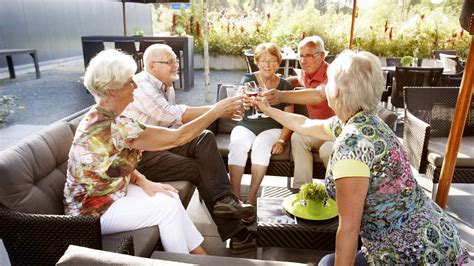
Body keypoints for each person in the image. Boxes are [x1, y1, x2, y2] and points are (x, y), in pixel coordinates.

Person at [256, 50, 463, 265]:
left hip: (413, 254)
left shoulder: (352, 146)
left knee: (328, 263)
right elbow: (305, 124)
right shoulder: (364, 120)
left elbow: (349, 228)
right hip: (435, 236)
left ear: (334, 90)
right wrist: (268, 109)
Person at [64, 49, 242, 254]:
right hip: (91, 213)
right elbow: (178, 137)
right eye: (129, 82)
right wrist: (217, 111)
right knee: (165, 209)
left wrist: (143, 181)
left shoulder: (105, 117)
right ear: (112, 90)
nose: (135, 85)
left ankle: (200, 257)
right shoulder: (115, 126)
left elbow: (113, 163)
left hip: (111, 194)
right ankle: (184, 260)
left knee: (170, 197)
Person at [122, 44, 256, 254]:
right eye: (170, 62)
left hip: (162, 142)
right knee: (198, 168)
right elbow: (173, 115)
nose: (176, 65)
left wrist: (216, 113)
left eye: (176, 60)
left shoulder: (166, 85)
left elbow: (173, 126)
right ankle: (236, 232)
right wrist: (218, 110)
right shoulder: (141, 85)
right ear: (152, 65)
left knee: (204, 137)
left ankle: (225, 200)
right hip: (142, 155)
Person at [228, 42, 293, 219]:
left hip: (271, 128)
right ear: (257, 62)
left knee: (261, 147)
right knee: (238, 145)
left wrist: (281, 140)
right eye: (263, 61)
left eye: (272, 61)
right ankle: (234, 198)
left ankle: (250, 200)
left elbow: (289, 118)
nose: (267, 65)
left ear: (278, 62)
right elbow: (238, 102)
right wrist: (242, 102)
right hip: (246, 125)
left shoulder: (285, 85)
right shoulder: (248, 80)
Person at [266, 36, 335, 188]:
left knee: (325, 150)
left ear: (322, 56)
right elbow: (296, 80)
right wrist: (277, 82)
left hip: (337, 130)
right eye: (301, 56)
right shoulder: (305, 73)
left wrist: (281, 95)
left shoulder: (333, 74)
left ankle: (336, 194)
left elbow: (319, 95)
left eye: (309, 55)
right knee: (298, 137)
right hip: (320, 129)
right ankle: (302, 190)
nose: (303, 60)